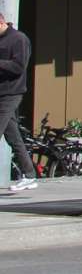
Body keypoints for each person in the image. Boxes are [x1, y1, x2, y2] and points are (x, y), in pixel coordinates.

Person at [0, 12, 34, 192]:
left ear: (1, 21)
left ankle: (29, 176)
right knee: (13, 136)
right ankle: (29, 175)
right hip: (1, 93)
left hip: (11, 93)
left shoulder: (18, 39)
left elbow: (19, 66)